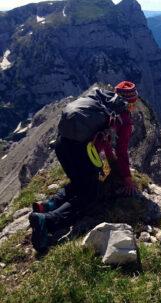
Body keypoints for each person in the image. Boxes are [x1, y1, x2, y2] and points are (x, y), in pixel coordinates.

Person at [29, 81, 139, 253]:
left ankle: (48, 205)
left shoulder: (100, 104)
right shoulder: (123, 118)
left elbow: (107, 144)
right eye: (134, 102)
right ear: (130, 102)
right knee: (89, 194)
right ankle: (47, 221)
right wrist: (126, 177)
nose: (134, 107)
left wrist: (111, 165)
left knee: (80, 182)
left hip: (62, 144)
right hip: (79, 150)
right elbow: (121, 150)